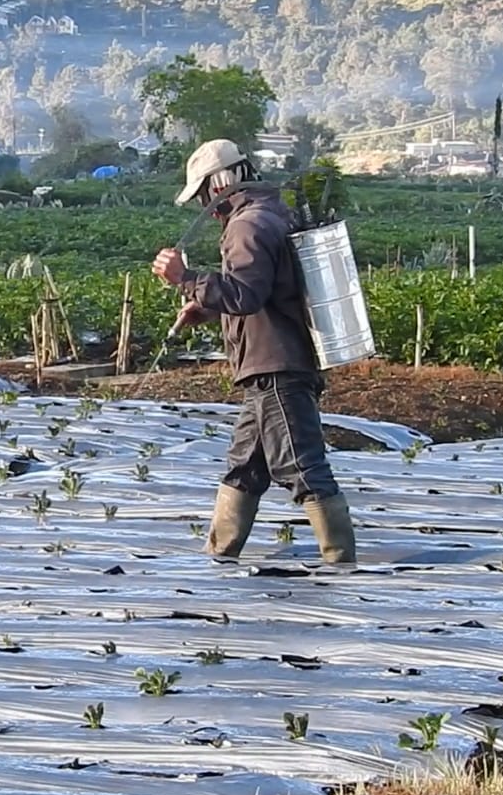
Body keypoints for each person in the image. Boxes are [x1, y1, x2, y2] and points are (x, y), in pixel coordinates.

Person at [150, 139, 356, 565]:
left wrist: (185, 278)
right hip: (272, 364)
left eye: (204, 194)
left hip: (275, 367)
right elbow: (269, 294)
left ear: (219, 183)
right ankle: (219, 556)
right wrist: (207, 308)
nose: (205, 205)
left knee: (303, 468)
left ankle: (341, 564)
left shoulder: (248, 224)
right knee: (244, 468)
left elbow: (246, 294)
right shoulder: (273, 213)